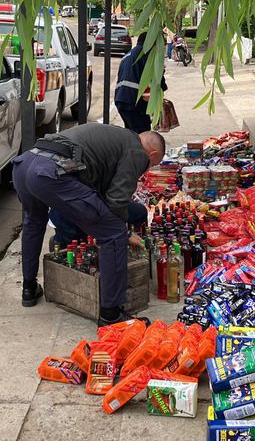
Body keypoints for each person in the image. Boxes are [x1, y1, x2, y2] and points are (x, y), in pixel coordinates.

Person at [12, 123, 166, 325]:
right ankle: (111, 314)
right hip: (51, 172)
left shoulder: (118, 137)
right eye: (153, 164)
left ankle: (29, 288)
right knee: (113, 234)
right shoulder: (137, 151)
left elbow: (99, 192)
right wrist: (124, 234)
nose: (149, 167)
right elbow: (117, 200)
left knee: (33, 222)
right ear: (152, 154)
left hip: (25, 165)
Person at [115, 31, 168, 133]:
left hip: (122, 99)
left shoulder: (128, 55)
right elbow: (157, 79)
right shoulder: (147, 54)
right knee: (143, 135)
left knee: (132, 134)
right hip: (134, 102)